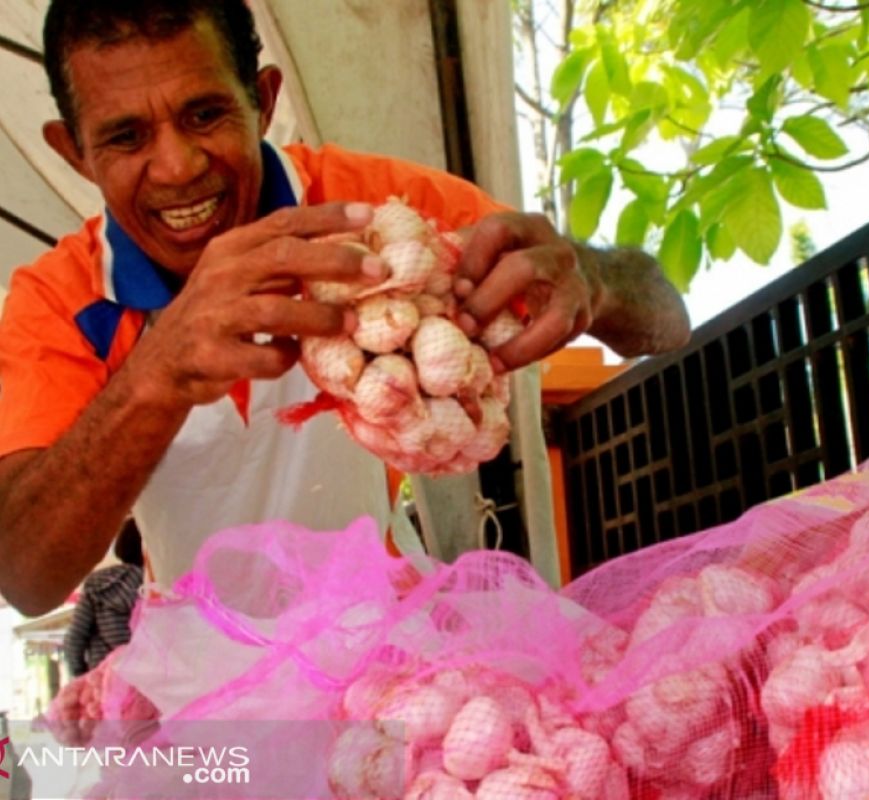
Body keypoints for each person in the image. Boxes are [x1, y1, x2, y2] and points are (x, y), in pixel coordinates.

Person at [0, 0, 690, 616]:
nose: (178, 166)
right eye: (126, 137)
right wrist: (160, 370)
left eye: (205, 114)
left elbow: (665, 317)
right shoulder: (60, 300)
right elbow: (25, 576)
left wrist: (595, 278)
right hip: (200, 686)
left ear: (263, 100)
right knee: (215, 772)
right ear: (75, 153)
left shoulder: (378, 212)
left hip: (389, 653)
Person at [62, 519, 145, 677]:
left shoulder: (96, 585)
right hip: (143, 686)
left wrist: (82, 675)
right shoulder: (155, 587)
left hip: (103, 683)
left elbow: (75, 639)